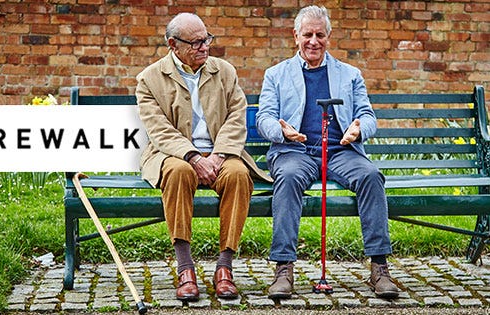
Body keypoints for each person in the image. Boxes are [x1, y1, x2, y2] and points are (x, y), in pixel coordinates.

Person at [256, 5, 399, 300]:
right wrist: (282, 131)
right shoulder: (276, 74)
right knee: (290, 177)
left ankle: (380, 268)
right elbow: (264, 118)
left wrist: (359, 130)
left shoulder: (350, 74)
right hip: (296, 150)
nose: (313, 41)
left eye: (320, 35)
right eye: (307, 34)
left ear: (329, 37)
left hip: (340, 150)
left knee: (371, 176)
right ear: (295, 36)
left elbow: (368, 116)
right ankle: (283, 268)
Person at [135, 12, 272, 301]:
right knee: (178, 172)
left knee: (238, 174)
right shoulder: (149, 79)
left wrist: (219, 155)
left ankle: (225, 268)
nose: (204, 47)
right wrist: (194, 157)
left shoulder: (224, 71)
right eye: (195, 42)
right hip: (173, 154)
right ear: (173, 44)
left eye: (206, 39)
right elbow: (159, 130)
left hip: (221, 153)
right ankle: (185, 269)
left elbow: (236, 117)